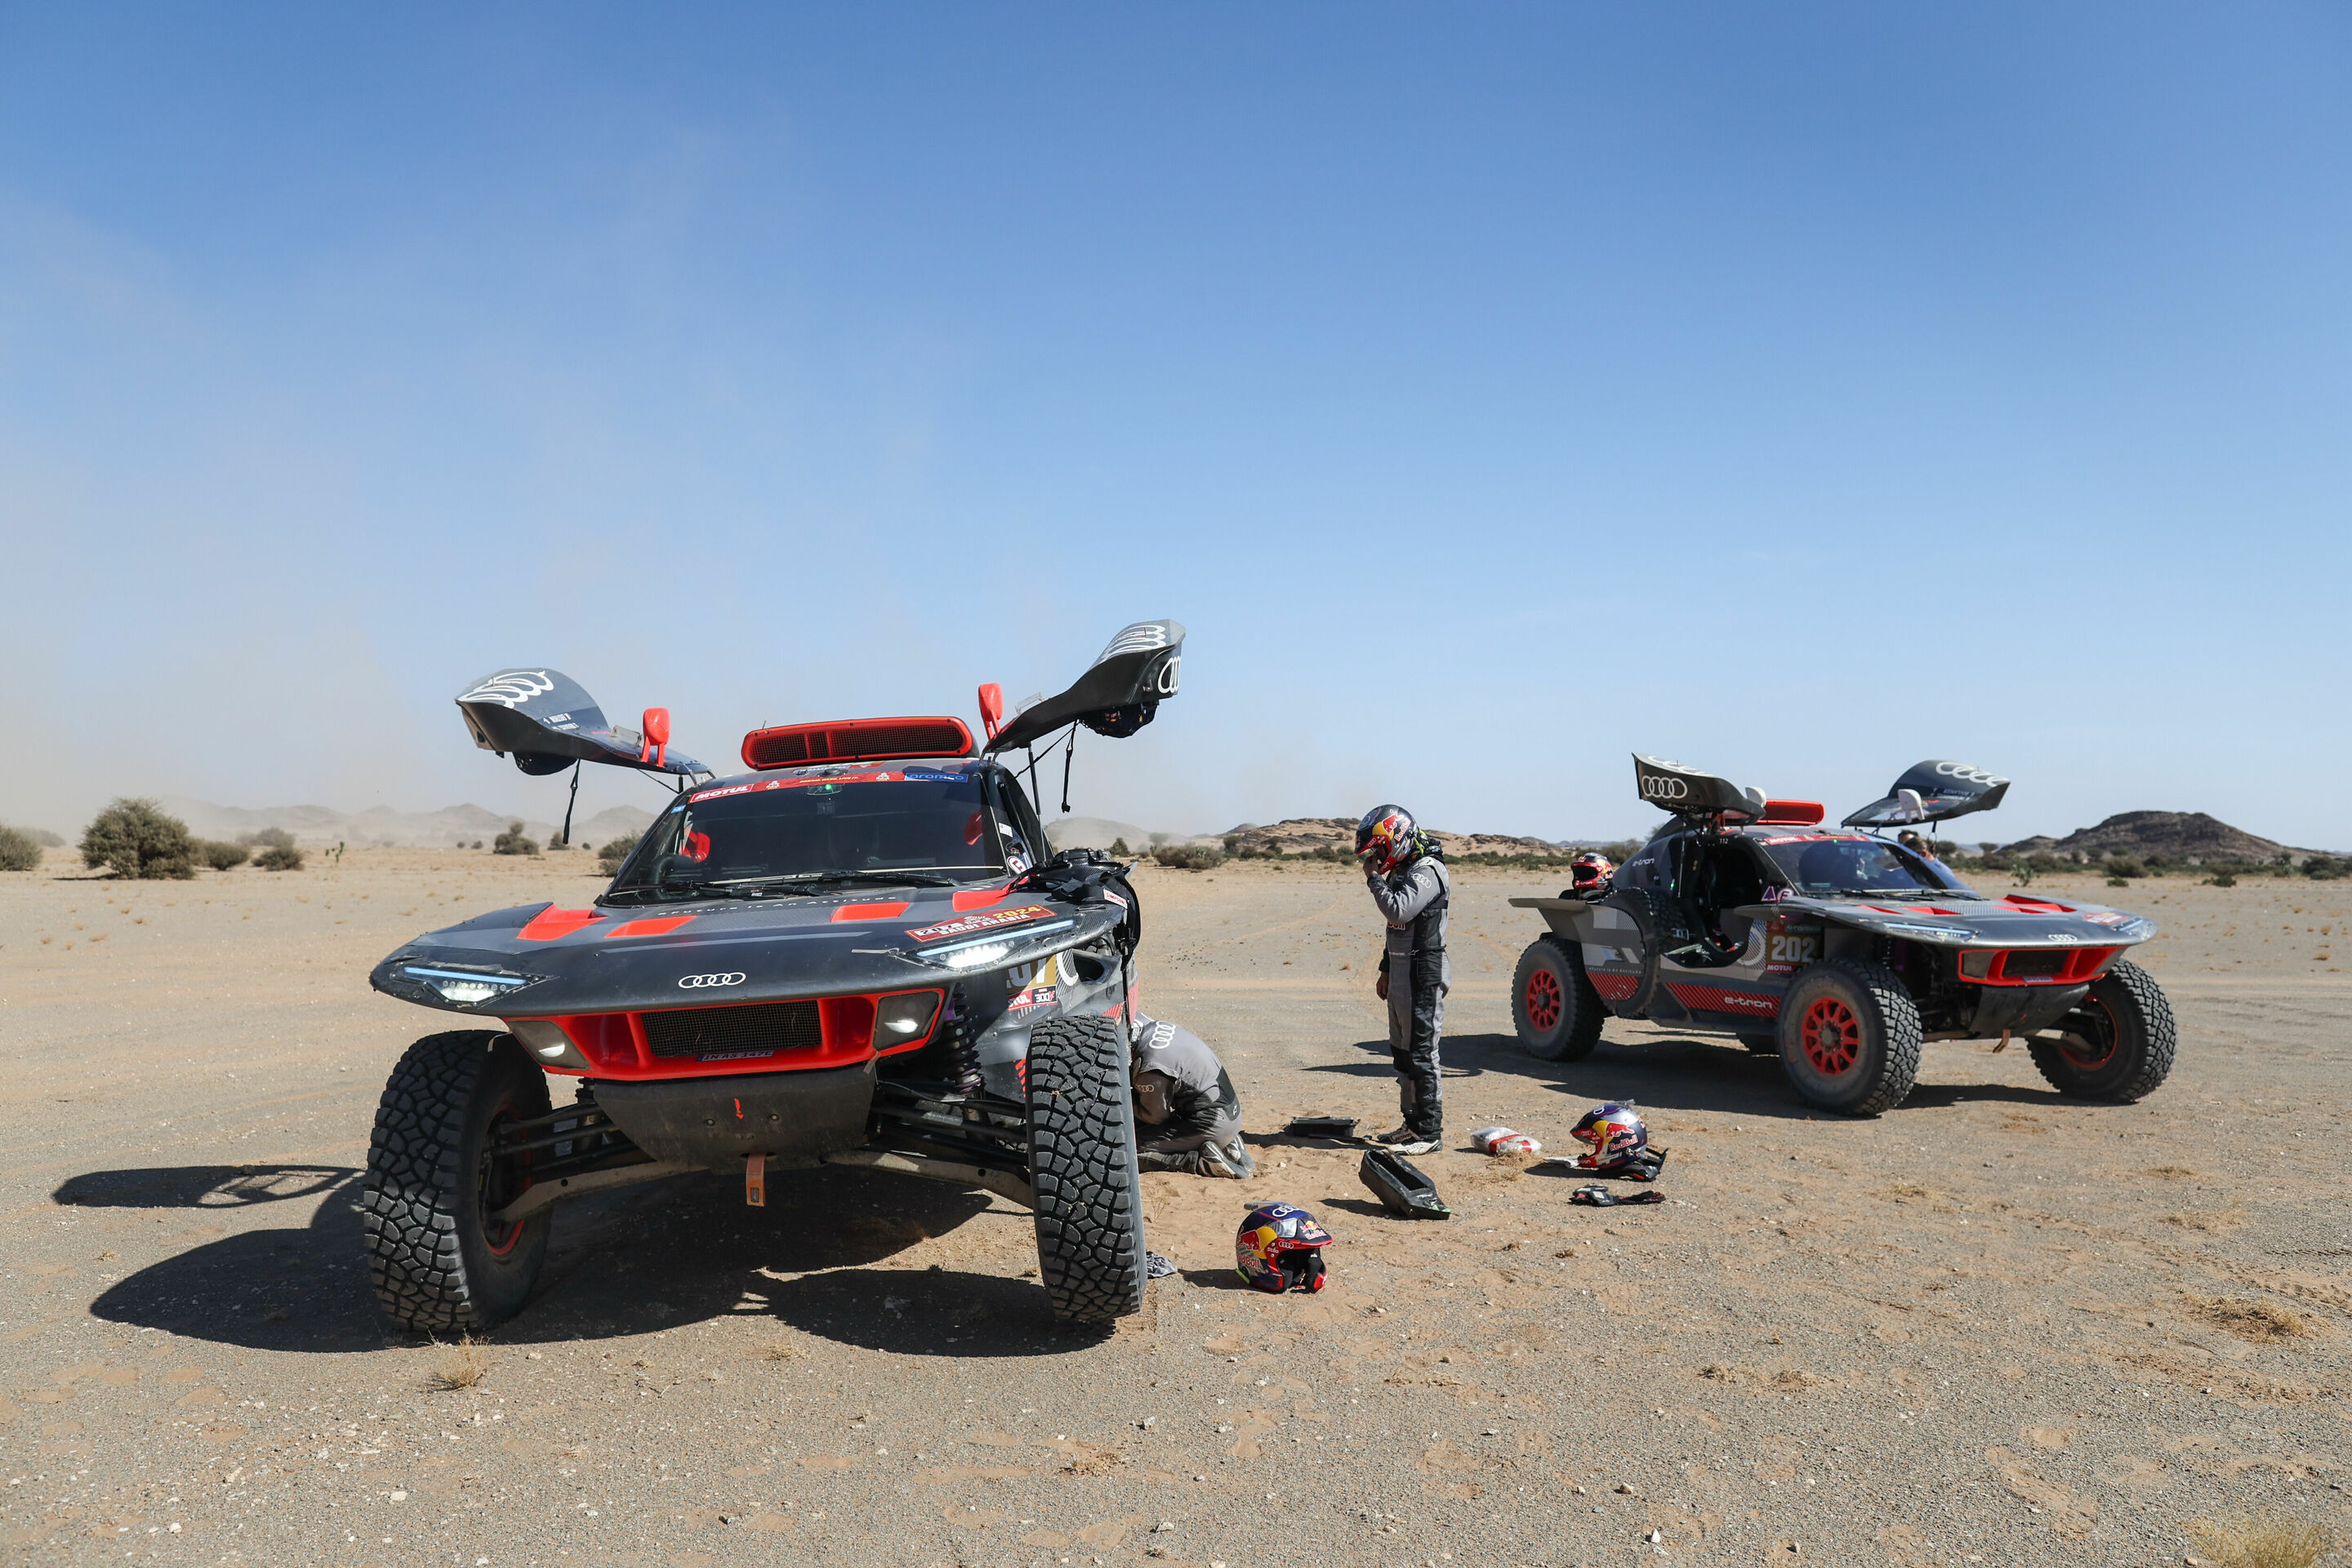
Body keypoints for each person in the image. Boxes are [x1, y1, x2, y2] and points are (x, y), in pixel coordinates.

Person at [1356, 804, 1450, 1156]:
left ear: (1395, 837)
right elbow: (1395, 927)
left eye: (1379, 848)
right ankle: (1411, 1125)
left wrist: (1373, 879)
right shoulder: (1404, 869)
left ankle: (1429, 1132)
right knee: (1402, 1053)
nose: (1377, 856)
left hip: (1422, 974)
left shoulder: (1429, 870)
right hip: (1399, 973)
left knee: (1422, 1054)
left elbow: (1398, 909)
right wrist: (1384, 969)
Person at [1129, 1013, 1256, 1178]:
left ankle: (1202, 1163)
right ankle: (1229, 1145)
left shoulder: (1150, 1067)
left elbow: (1155, 1118)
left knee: (1131, 1149)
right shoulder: (1156, 1027)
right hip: (1231, 1112)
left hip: (1213, 1122)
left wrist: (1126, 1101)